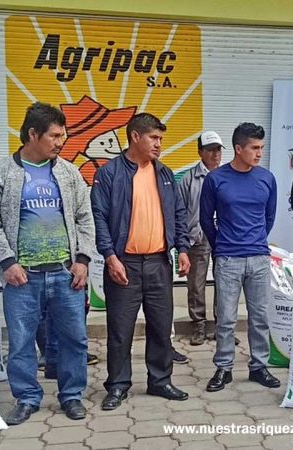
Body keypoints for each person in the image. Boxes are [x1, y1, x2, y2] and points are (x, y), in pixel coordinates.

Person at [0, 102, 95, 425]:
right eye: (55, 135)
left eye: (64, 135)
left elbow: (85, 218)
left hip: (65, 273)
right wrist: (7, 262)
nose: (62, 141)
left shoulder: (68, 173)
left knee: (75, 338)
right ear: (33, 134)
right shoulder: (2, 173)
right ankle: (27, 398)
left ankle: (71, 396)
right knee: (20, 342)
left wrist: (83, 260)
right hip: (22, 277)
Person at [91, 113, 191, 410]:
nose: (159, 145)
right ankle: (118, 385)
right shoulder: (109, 173)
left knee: (161, 326)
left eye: (161, 139)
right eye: (154, 138)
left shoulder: (164, 174)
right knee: (120, 329)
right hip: (125, 264)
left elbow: (179, 214)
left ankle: (160, 381)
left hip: (159, 262)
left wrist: (182, 249)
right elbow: (99, 218)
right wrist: (110, 257)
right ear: (135, 137)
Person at [200, 122, 279, 392]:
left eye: (261, 148)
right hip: (228, 259)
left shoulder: (267, 178)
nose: (259, 153)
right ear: (238, 148)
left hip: (258, 257)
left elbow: (269, 217)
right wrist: (221, 245)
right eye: (254, 148)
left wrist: (255, 240)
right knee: (226, 317)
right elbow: (205, 219)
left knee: (260, 316)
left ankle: (259, 366)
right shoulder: (215, 179)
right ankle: (224, 367)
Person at [179, 131, 223, 345]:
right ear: (200, 152)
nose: (215, 154)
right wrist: (183, 243)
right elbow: (180, 211)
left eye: (218, 149)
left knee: (225, 282)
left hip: (225, 235)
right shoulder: (189, 178)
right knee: (196, 283)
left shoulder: (228, 174)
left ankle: (222, 327)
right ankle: (198, 326)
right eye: (210, 150)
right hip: (199, 236)